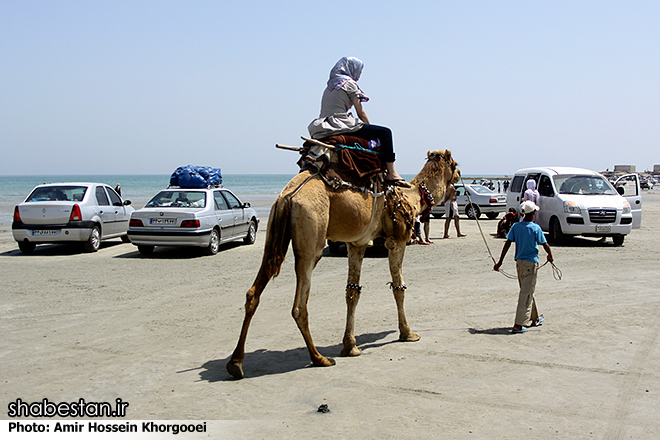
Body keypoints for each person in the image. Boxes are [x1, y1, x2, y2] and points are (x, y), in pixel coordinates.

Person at [308, 56, 409, 188]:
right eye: (359, 71)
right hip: (341, 123)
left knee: (375, 136)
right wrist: (370, 129)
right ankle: (391, 172)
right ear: (351, 69)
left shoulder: (330, 86)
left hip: (322, 126)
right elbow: (361, 113)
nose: (359, 75)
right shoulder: (349, 84)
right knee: (385, 133)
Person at [493, 201, 554, 333]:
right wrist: (550, 256)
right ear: (532, 214)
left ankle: (535, 318)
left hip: (519, 263)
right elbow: (545, 244)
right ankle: (518, 324)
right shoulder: (535, 228)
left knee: (527, 290)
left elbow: (507, 244)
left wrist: (500, 262)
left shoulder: (516, 226)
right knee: (526, 293)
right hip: (530, 264)